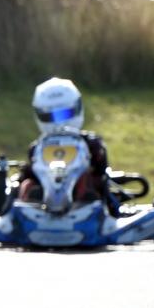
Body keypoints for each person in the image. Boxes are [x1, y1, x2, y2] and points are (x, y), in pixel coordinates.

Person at [18, 77, 114, 211]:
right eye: (50, 117)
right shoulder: (37, 148)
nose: (59, 123)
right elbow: (27, 177)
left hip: (86, 204)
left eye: (65, 114)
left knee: (91, 182)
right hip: (42, 205)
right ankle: (29, 206)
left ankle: (90, 201)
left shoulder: (91, 145)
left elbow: (101, 176)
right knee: (27, 185)